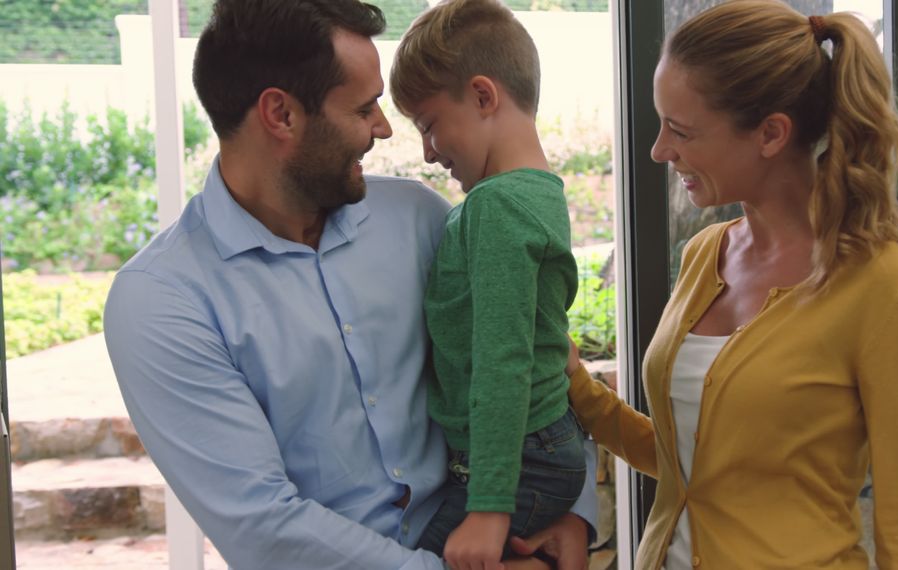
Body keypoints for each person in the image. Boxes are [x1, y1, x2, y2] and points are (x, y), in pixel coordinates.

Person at [102, 1, 595, 569]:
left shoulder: (423, 219)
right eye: (364, 109)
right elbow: (263, 525)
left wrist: (573, 515)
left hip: (492, 537)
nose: (385, 129)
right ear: (280, 114)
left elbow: (536, 353)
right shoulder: (161, 301)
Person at [564, 1, 898, 568]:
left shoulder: (881, 281)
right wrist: (579, 387)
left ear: (770, 133)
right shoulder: (703, 255)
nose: (660, 150)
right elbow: (691, 463)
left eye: (681, 130)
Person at [387, 2, 587, 569]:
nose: (427, 151)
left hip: (519, 458)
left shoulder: (496, 207)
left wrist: (491, 506)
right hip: (533, 448)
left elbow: (503, 359)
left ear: (482, 96)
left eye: (428, 125)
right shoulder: (539, 190)